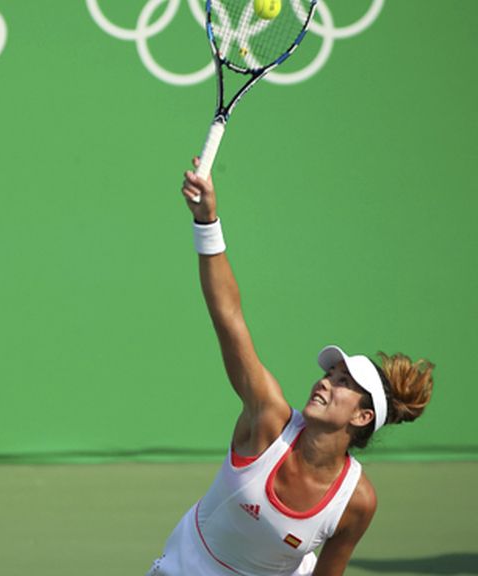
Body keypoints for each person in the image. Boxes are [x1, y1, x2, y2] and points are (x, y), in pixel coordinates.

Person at [148, 159, 436, 576]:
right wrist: (207, 221)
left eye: (343, 383)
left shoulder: (356, 501)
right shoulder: (267, 419)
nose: (325, 382)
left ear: (362, 415)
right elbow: (228, 316)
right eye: (330, 374)